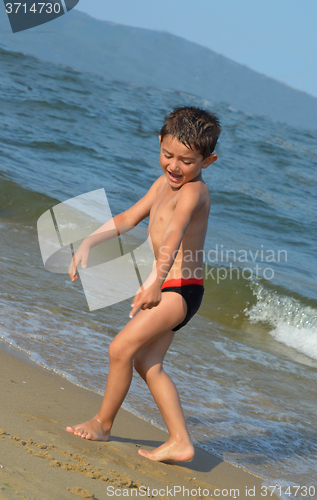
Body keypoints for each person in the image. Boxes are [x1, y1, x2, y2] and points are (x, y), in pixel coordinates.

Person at [66, 106, 221, 462]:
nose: (175, 166)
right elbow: (129, 217)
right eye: (168, 155)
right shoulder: (161, 185)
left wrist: (155, 282)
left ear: (207, 161)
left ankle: (103, 424)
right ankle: (180, 441)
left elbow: (174, 236)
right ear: (159, 144)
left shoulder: (194, 194)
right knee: (147, 362)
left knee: (120, 349)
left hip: (179, 288)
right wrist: (89, 241)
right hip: (173, 286)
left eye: (187, 160)